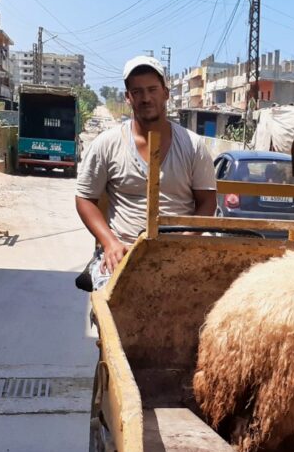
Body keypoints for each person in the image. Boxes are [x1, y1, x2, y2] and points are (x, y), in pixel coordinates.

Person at [75, 55, 217, 289]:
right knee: (116, 306)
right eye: (137, 91)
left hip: (180, 253)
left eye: (152, 89)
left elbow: (207, 203)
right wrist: (110, 243)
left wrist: (181, 244)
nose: (146, 98)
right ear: (128, 97)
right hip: (125, 254)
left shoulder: (193, 146)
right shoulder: (106, 144)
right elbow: (85, 198)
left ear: (166, 93)